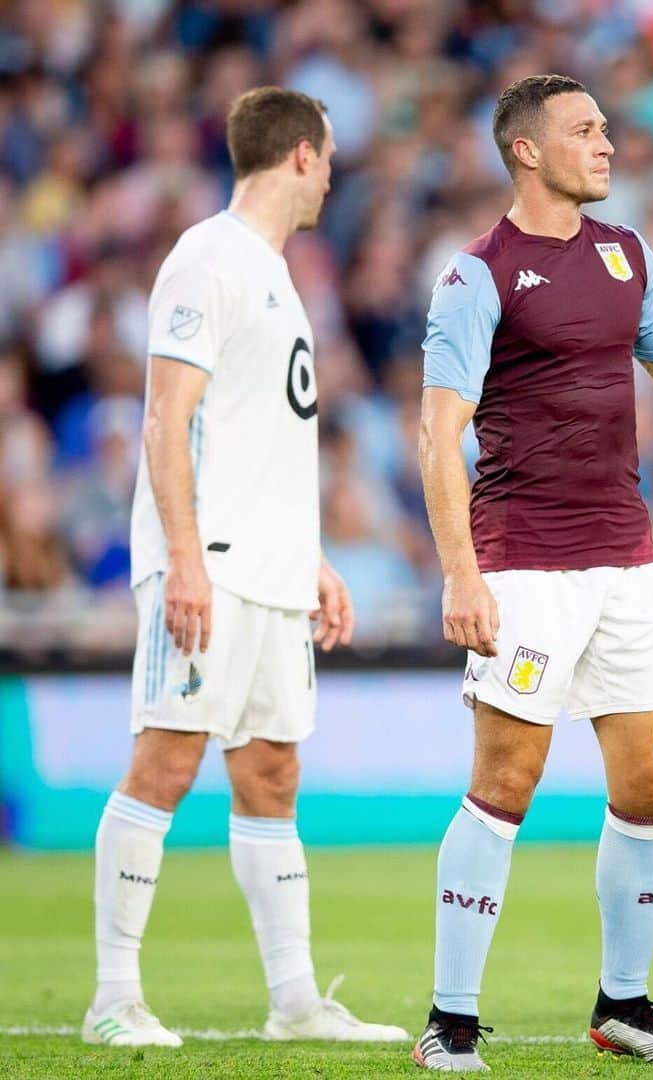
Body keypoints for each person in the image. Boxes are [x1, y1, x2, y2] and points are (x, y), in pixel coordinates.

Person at [413, 74, 653, 1071]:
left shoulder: (625, 254)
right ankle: (450, 1022)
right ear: (525, 150)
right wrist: (463, 575)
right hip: (524, 561)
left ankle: (624, 1008)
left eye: (605, 126)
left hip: (627, 556)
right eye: (583, 130)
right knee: (505, 781)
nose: (606, 142)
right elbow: (436, 435)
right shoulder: (479, 275)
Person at [82, 86, 408, 1048]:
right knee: (167, 759)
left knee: (270, 773)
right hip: (210, 565)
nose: (334, 172)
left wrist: (312, 560)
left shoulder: (275, 273)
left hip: (270, 571)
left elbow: (265, 439)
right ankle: (112, 999)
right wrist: (183, 558)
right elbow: (164, 417)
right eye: (331, 154)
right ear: (301, 155)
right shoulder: (208, 259)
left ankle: (296, 1003)